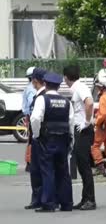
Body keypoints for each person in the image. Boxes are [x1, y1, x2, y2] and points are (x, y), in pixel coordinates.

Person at [30, 72, 74, 213]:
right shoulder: (67, 102)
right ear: (59, 86)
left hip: (47, 139)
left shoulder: (42, 100)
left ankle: (49, 203)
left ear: (45, 84)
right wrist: (71, 139)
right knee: (63, 171)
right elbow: (71, 122)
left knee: (47, 170)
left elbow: (35, 119)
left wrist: (36, 135)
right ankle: (66, 203)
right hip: (63, 139)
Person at [63, 65, 96, 210]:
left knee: (84, 166)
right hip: (79, 129)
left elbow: (89, 103)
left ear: (66, 77)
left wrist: (86, 122)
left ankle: (90, 200)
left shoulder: (80, 87)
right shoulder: (77, 88)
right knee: (82, 167)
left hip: (83, 130)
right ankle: (85, 198)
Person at [24, 68, 47, 210]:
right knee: (35, 170)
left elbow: (37, 119)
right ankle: (36, 198)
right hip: (35, 137)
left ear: (35, 80)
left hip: (40, 138)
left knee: (41, 170)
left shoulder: (43, 96)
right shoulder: (38, 95)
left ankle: (42, 199)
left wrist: (36, 136)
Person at [91, 77, 106, 178]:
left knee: (95, 146)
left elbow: (105, 113)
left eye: (98, 86)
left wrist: (96, 121)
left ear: (101, 87)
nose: (97, 88)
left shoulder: (103, 98)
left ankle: (99, 166)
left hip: (103, 126)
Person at [23, 67, 37, 172]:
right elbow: (31, 105)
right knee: (33, 139)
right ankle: (30, 162)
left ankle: (29, 162)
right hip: (33, 116)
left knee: (31, 140)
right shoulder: (32, 89)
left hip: (29, 116)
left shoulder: (28, 88)